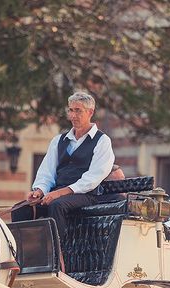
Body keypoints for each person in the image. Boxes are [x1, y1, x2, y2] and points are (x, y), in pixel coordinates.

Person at [11, 92, 115, 241]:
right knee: (21, 209)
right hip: (56, 194)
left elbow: (94, 177)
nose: (73, 115)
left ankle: (56, 256)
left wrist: (59, 193)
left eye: (78, 110)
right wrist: (40, 191)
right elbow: (47, 171)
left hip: (86, 195)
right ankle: (24, 255)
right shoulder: (58, 140)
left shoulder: (102, 141)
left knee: (57, 206)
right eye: (70, 110)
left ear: (90, 112)